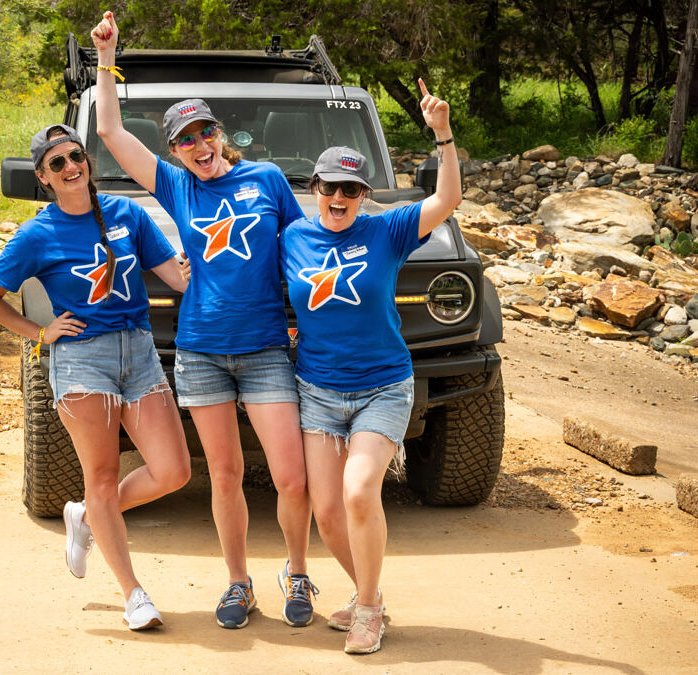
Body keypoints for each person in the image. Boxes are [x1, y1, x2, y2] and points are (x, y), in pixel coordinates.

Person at [91, 11, 316, 630]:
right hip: (202, 353)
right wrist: (109, 57)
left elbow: (304, 247)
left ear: (222, 132)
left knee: (291, 477)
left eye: (205, 131)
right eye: (185, 139)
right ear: (173, 151)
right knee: (224, 473)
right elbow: (109, 129)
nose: (199, 145)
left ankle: (297, 571)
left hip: (268, 347)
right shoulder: (175, 187)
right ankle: (238, 583)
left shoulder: (267, 179)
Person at [0, 124, 192, 631]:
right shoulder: (36, 234)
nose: (71, 166)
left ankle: (88, 517)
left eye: (76, 155)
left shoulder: (127, 213)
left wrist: (217, 273)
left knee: (174, 471)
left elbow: (176, 278)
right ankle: (133, 594)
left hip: (138, 351)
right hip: (81, 360)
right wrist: (40, 332)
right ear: (44, 178)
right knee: (102, 476)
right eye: (57, 163)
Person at [279, 80, 462, 654]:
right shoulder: (291, 238)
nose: (341, 197)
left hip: (383, 386)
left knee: (360, 492)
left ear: (363, 194)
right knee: (327, 511)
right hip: (318, 389)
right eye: (331, 187)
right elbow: (232, 269)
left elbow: (447, 201)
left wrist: (443, 136)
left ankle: (364, 608)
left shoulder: (386, 229)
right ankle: (371, 601)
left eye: (352, 190)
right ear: (314, 188)